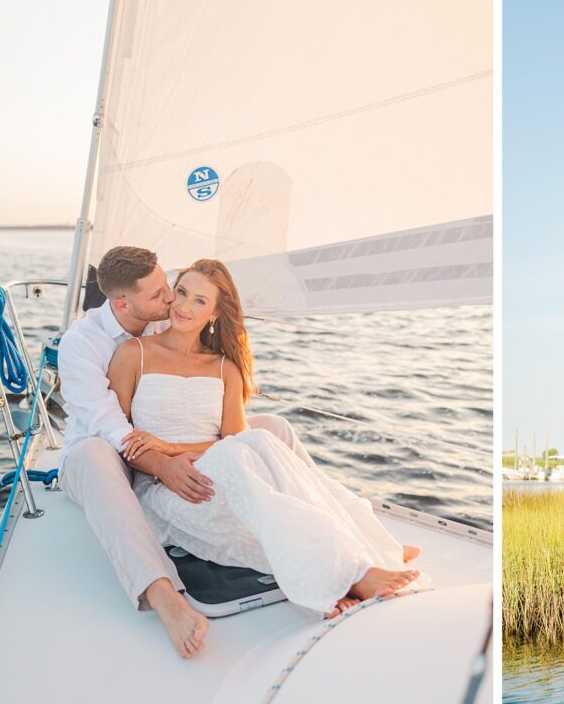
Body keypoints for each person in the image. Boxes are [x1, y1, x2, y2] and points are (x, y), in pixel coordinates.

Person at [106, 258, 422, 621]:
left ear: (213, 314)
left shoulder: (224, 367)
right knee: (251, 454)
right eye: (181, 293)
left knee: (260, 449)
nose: (183, 306)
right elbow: (123, 440)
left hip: (222, 478)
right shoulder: (135, 354)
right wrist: (166, 460)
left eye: (199, 301)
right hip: (168, 490)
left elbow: (236, 439)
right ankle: (355, 570)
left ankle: (359, 564)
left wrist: (176, 446)